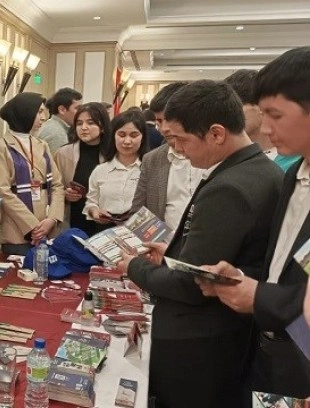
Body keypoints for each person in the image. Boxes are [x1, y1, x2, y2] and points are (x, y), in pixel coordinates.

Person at [117, 80, 283, 408]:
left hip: (199, 342)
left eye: (182, 140)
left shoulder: (230, 187)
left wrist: (132, 266)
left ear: (216, 134)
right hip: (227, 335)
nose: (178, 150)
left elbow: (190, 283)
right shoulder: (262, 170)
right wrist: (174, 253)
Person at [197, 47, 310, 399]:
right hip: (272, 349)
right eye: (263, 114)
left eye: (276, 115)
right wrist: (244, 279)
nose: (266, 128)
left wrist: (260, 296)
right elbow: (286, 265)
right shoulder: (293, 175)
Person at [0, 92, 64, 256]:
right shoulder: (0, 148)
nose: (43, 117)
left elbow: (57, 184)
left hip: (47, 225)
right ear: (25, 113)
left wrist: (52, 219)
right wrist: (33, 226)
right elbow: (3, 192)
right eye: (39, 112)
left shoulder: (42, 144)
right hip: (18, 230)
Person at [129, 82, 203, 231]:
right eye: (159, 121)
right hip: (163, 242)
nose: (164, 128)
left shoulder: (213, 155)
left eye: (169, 120)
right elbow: (138, 212)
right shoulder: (152, 159)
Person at [225, 69, 301, 172]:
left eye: (236, 108)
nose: (229, 116)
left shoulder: (295, 162)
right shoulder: (229, 160)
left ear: (261, 107)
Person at [54, 102, 112, 235]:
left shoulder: (113, 153)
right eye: (79, 123)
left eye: (91, 123)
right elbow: (54, 188)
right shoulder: (64, 153)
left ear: (103, 126)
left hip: (106, 221)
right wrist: (65, 194)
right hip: (74, 219)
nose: (84, 128)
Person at [84, 110, 149, 229]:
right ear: (113, 136)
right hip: (105, 229)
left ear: (143, 137)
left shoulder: (149, 169)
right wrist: (95, 212)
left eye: (134, 135)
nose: (127, 141)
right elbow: (91, 202)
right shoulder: (100, 170)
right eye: (122, 135)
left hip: (140, 230)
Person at [37, 87, 82, 154]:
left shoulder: (52, 125)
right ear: (62, 110)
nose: (81, 112)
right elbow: (60, 160)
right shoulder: (57, 133)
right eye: (77, 108)